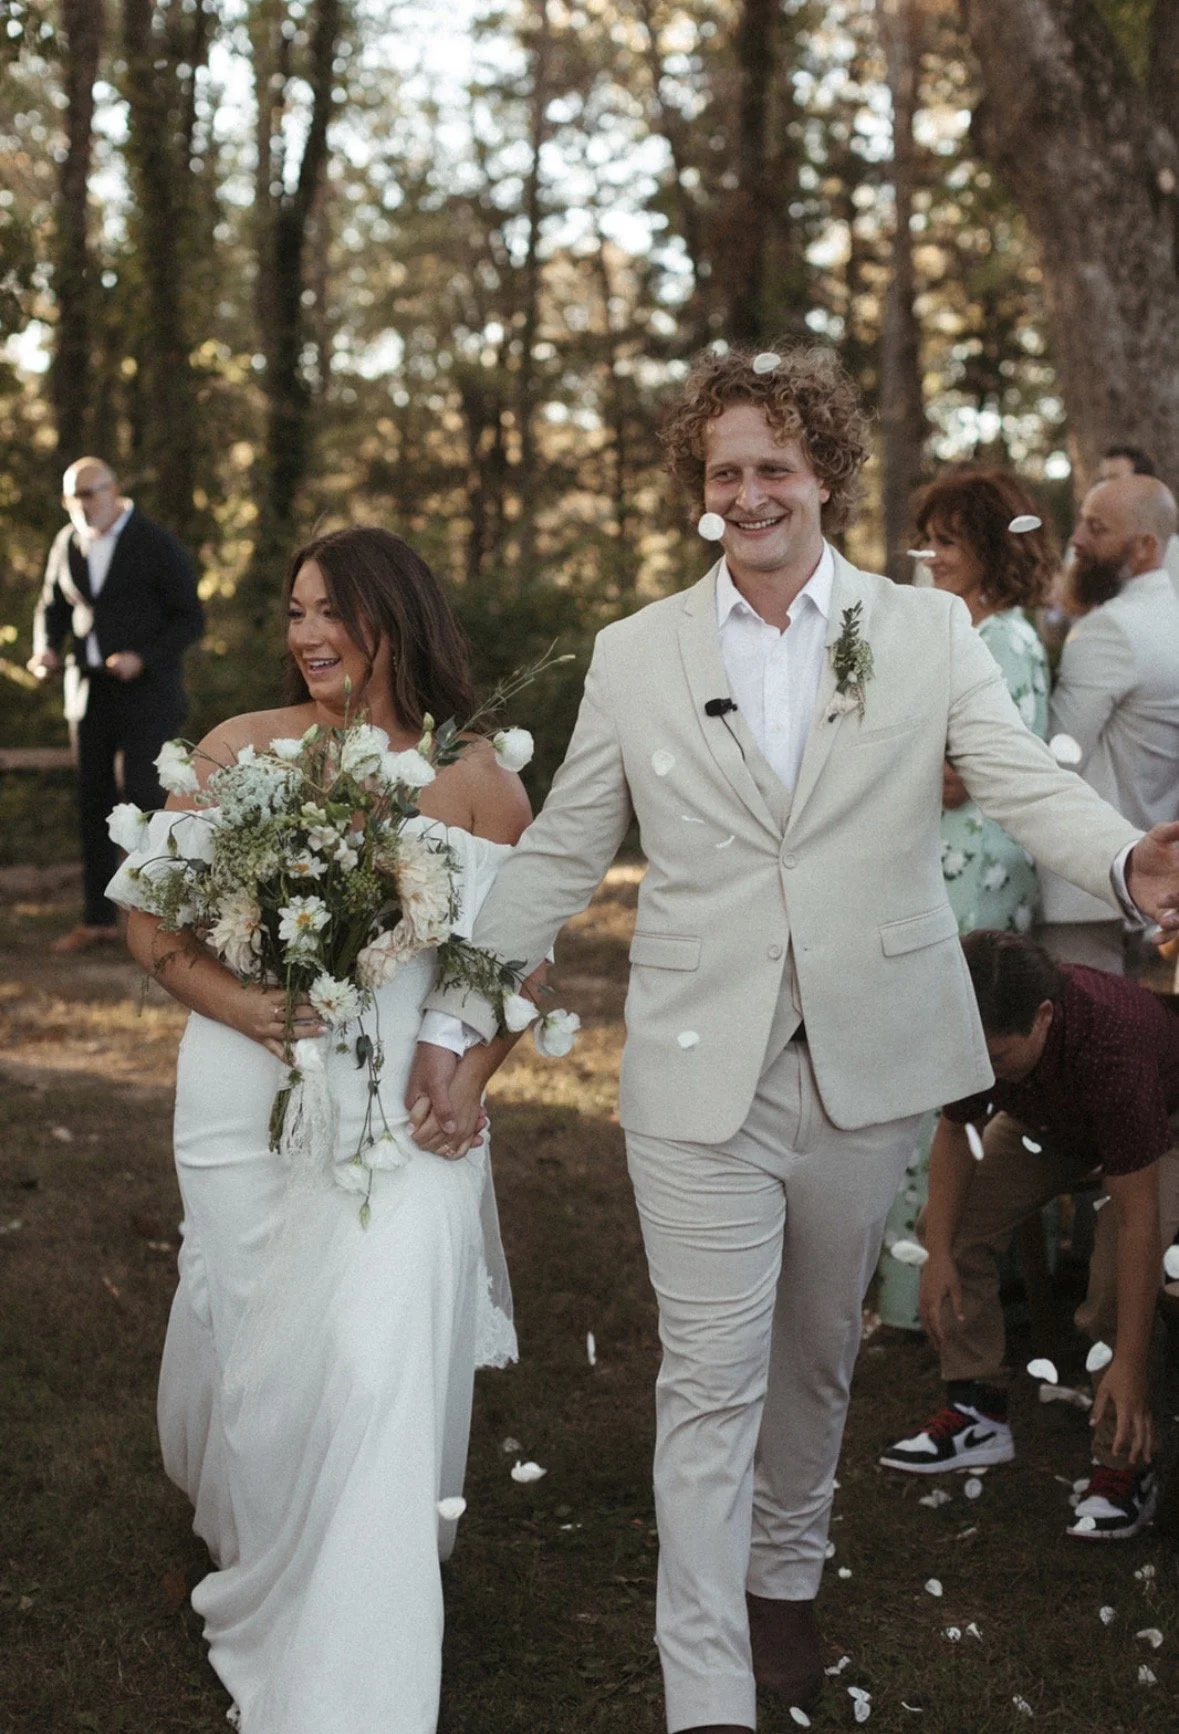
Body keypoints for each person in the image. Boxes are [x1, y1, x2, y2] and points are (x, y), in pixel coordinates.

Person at [406, 341, 1179, 1734]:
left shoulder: (923, 628)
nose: (749, 494)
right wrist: (460, 1006)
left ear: (824, 472)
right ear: (698, 490)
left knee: (815, 1357)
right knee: (707, 1380)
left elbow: (1017, 780)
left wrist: (1128, 862)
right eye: (724, 473)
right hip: (695, 1068)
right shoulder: (635, 653)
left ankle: (782, 1575)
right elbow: (563, 849)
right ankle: (705, 1691)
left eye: (774, 466)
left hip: (867, 1062)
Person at [109, 527, 533, 1734]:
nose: (307, 635)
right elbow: (150, 925)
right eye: (295, 611)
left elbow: (519, 962)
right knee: (260, 1341)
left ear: (397, 617)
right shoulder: (238, 749)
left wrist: (473, 1076)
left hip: (406, 1111)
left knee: (372, 1355)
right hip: (243, 1094)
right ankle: (268, 1542)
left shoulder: (479, 779)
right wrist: (245, 1007)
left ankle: (354, 1664)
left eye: (331, 611)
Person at [880, 930, 1179, 1541]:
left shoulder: (1111, 1047)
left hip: (1164, 1129)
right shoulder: (980, 1031)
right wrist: (939, 1256)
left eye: (993, 1060)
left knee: (1113, 1281)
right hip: (1049, 1120)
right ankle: (978, 1409)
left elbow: (1138, 1221)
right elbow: (957, 1131)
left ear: (1043, 1016)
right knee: (949, 1225)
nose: (980, 1071)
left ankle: (1124, 1464)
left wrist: (1128, 1362)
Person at [877, 469, 1053, 1331]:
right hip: (950, 868)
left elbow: (958, 778)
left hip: (971, 875)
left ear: (990, 547)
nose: (931, 556)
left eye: (948, 541)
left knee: (939, 1081)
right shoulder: (972, 631)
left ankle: (924, 1298)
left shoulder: (1001, 642)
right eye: (928, 539)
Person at [28, 456, 205, 952]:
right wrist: (46, 648)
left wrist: (142, 658)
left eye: (90, 493)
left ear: (113, 489)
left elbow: (190, 618)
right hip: (87, 691)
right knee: (93, 798)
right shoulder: (66, 542)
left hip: (148, 692)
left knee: (146, 795)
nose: (82, 505)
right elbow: (52, 607)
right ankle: (98, 919)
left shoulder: (154, 542)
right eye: (73, 497)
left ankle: (160, 916)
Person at [1038, 473, 1179, 974]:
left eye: (1096, 528)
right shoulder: (1169, 617)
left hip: (1086, 890)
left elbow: (1057, 757)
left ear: (1144, 547)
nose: (1076, 540)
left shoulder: (1109, 629)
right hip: (1146, 877)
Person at [1096, 443, 1179, 599]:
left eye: (1114, 478)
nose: (1104, 487)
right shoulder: (1086, 545)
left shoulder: (1172, 550)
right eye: (1103, 480)